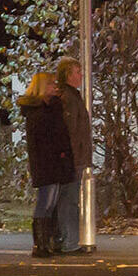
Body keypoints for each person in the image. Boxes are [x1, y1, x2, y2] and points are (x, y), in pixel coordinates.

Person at [18, 72, 76, 258]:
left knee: (51, 202)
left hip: (54, 161)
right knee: (46, 202)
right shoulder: (38, 111)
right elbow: (43, 139)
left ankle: (46, 242)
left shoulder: (51, 108)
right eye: (51, 84)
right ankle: (40, 244)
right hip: (46, 163)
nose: (55, 87)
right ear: (43, 86)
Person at [55, 56, 93, 254]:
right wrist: (72, 155)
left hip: (74, 157)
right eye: (78, 72)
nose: (81, 76)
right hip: (72, 158)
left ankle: (67, 240)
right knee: (69, 200)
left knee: (68, 200)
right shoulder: (69, 98)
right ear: (68, 75)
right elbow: (70, 130)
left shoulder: (71, 96)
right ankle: (69, 242)